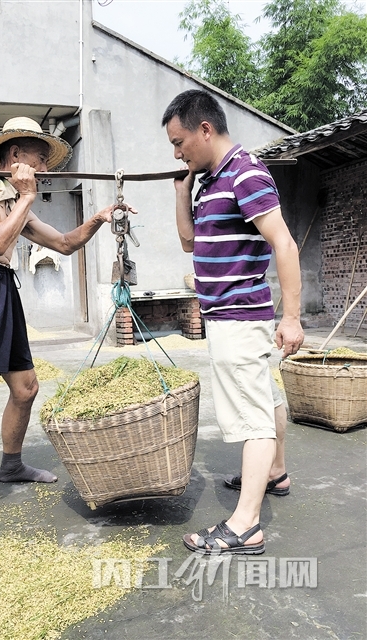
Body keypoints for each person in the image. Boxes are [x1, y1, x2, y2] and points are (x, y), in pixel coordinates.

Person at [0, 117, 136, 555]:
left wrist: (99, 217)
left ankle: (11, 466)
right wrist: (29, 195)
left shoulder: (15, 201)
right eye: (39, 157)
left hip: (1, 287)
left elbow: (66, 243)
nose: (44, 167)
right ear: (15, 156)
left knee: (26, 387)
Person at [162, 90, 304, 555]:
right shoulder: (209, 181)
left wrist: (293, 316)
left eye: (180, 141)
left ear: (205, 129)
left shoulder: (245, 174)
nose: (177, 152)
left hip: (240, 317)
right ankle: (276, 472)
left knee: (251, 417)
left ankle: (245, 525)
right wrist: (183, 191)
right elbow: (189, 242)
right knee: (266, 397)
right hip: (230, 316)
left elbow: (284, 243)